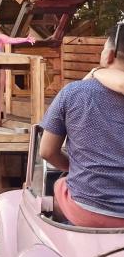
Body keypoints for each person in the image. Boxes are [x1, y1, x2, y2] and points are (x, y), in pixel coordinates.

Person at [39, 25, 124, 228]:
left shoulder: (74, 93)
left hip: (88, 210)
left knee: (60, 185)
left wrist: (73, 168)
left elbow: (47, 151)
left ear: (109, 55)